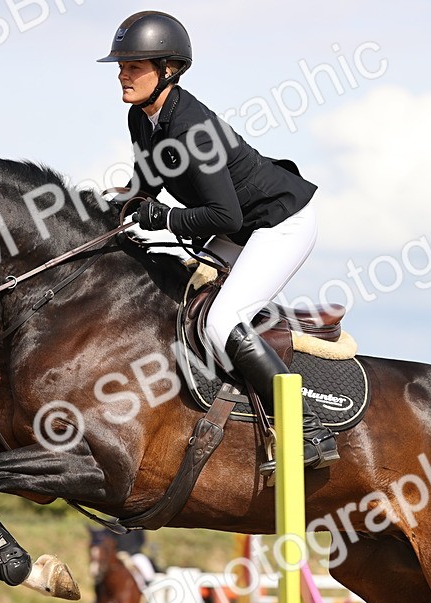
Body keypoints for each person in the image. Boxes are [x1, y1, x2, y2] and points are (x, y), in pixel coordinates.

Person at [98, 10, 339, 472]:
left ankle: (308, 427)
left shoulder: (191, 129)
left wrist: (163, 216)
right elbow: (147, 181)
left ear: (168, 70)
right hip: (237, 225)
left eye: (134, 66)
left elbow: (222, 214)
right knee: (183, 298)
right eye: (121, 67)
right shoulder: (141, 116)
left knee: (221, 319)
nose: (123, 75)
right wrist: (120, 208)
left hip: (278, 222)